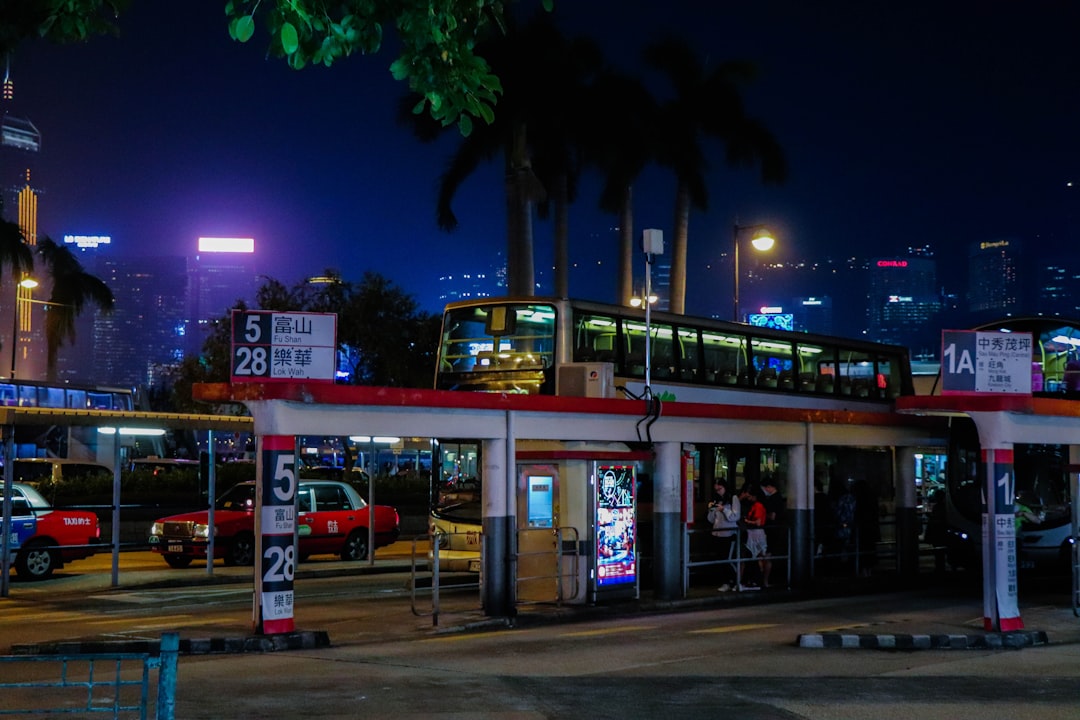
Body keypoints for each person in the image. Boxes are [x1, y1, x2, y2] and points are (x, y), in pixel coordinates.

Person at [706, 480, 741, 591]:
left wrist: (724, 510)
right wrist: (712, 510)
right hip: (717, 532)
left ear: (725, 487)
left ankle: (734, 581)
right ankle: (725, 582)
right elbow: (711, 519)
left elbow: (735, 517)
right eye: (716, 490)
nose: (718, 492)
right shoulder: (716, 500)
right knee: (720, 559)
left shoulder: (733, 498)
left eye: (720, 489)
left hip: (729, 534)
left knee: (728, 559)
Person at [738, 484, 768, 591]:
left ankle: (757, 580)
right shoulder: (756, 505)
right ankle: (758, 581)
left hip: (756, 533)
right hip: (754, 533)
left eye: (750, 496)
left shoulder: (758, 506)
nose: (748, 498)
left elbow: (758, 522)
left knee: (756, 556)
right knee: (756, 556)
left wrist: (747, 521)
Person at [759, 474, 786, 588]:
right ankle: (765, 580)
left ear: (769, 487)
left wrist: (764, 515)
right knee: (766, 555)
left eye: (765, 488)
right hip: (773, 530)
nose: (764, 491)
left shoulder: (775, 499)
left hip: (772, 531)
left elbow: (773, 516)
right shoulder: (777, 498)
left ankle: (765, 580)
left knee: (767, 555)